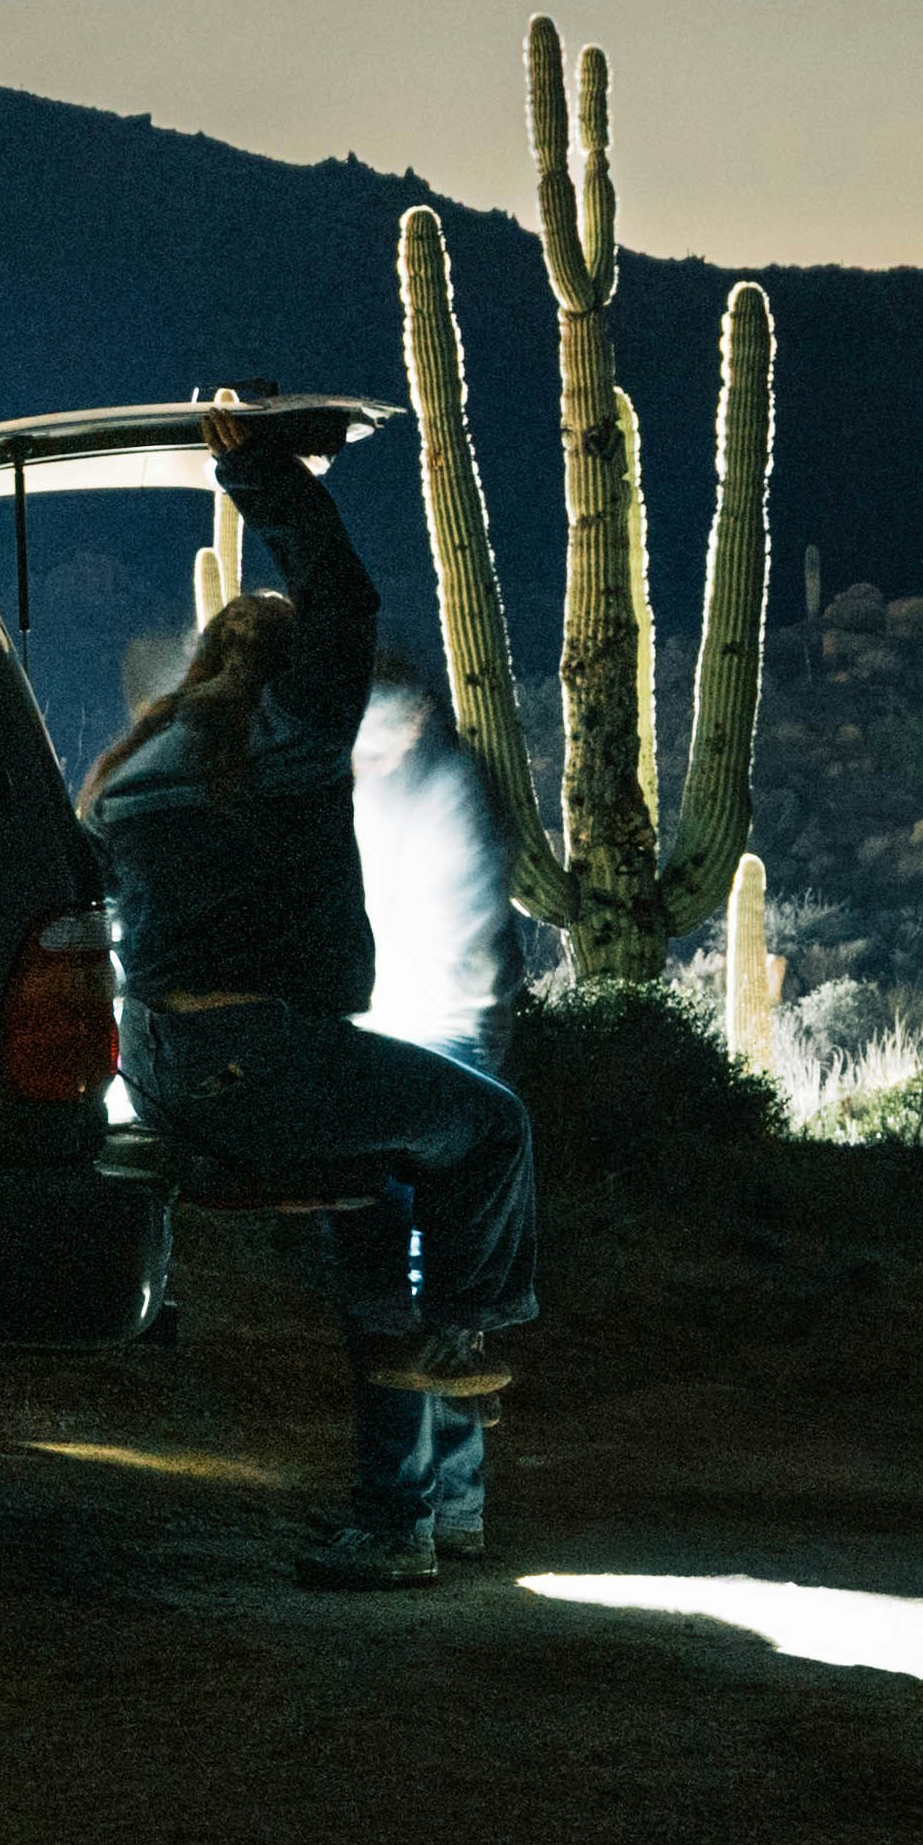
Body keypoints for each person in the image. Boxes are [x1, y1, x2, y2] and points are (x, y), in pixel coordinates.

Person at [83, 401, 540, 1593]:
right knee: (488, 1123)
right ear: (289, 676)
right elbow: (344, 603)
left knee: (383, 1198)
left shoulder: (131, 773)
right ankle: (466, 1342)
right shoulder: (288, 739)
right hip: (266, 1056)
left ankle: (420, 1512)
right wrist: (264, 477)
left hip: (167, 1071)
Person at [344, 647, 529, 1577]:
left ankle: (397, 1516)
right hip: (461, 1073)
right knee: (446, 1299)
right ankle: (454, 1505)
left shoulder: (410, 799)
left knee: (388, 1296)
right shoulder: (457, 784)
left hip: (407, 1069)